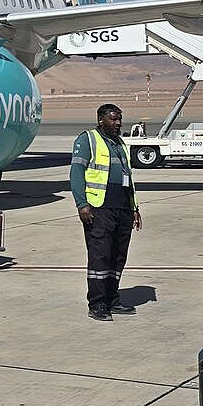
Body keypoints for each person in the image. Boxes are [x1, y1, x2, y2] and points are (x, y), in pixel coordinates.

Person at [71, 103, 140, 321]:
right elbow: (76, 173)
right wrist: (82, 203)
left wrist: (134, 207)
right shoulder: (88, 139)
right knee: (100, 257)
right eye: (113, 119)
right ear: (101, 119)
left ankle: (112, 299)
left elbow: (128, 179)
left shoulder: (120, 143)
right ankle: (97, 304)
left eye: (120, 119)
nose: (118, 123)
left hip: (123, 209)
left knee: (118, 257)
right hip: (99, 208)